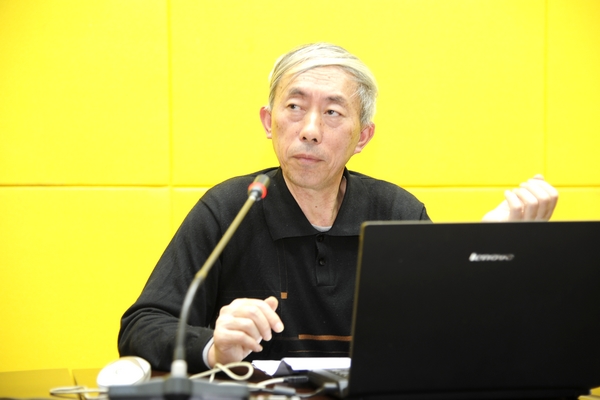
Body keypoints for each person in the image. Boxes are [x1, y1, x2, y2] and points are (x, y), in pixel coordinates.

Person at [118, 43, 559, 373]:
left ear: (362, 137)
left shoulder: (395, 212)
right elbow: (142, 324)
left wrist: (488, 248)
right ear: (269, 122)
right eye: (294, 107)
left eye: (332, 112)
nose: (310, 130)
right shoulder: (231, 208)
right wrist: (213, 348)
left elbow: (452, 333)